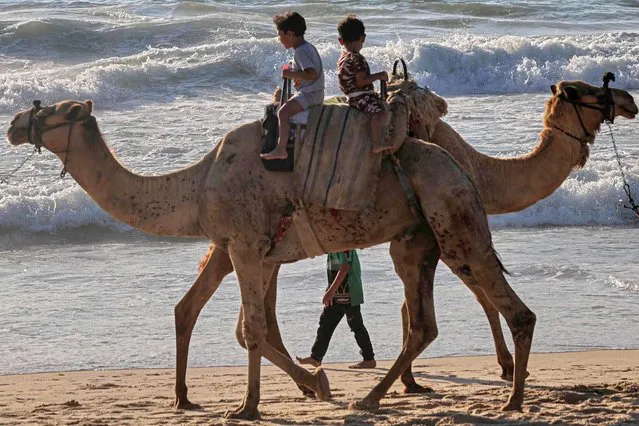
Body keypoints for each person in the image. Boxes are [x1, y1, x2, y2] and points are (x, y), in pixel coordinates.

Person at [296, 250, 376, 369]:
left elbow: (345, 268)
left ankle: (369, 359)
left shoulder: (343, 246)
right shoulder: (332, 249)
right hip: (336, 295)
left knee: (356, 325)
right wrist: (330, 291)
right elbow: (334, 272)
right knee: (325, 323)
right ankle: (316, 357)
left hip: (349, 293)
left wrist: (330, 291)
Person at [261, 12, 325, 160]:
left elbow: (311, 74)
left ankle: (281, 149)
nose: (279, 39)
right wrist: (293, 70)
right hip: (313, 91)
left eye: (280, 35)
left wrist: (291, 75)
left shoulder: (301, 52)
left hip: (310, 94)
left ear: (289, 34)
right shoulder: (307, 47)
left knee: (282, 112)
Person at [336, 15, 390, 154]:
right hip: (359, 96)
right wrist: (379, 76)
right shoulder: (357, 58)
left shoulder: (343, 56)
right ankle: (377, 143)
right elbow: (361, 81)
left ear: (341, 41)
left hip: (351, 95)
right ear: (363, 38)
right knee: (378, 112)